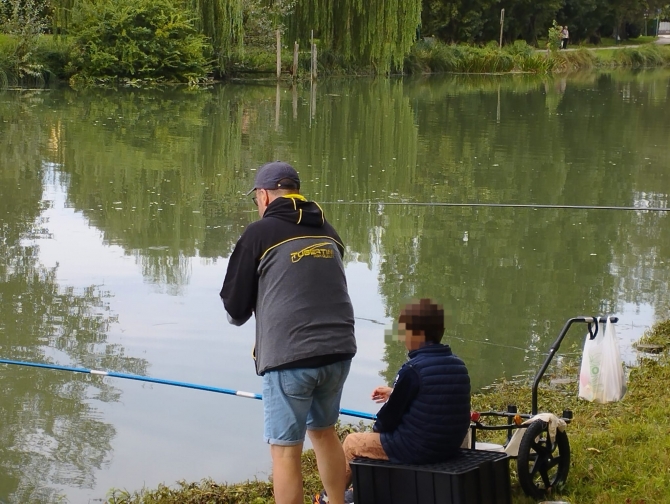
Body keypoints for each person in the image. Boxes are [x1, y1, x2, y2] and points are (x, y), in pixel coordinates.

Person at [220, 161, 357, 504]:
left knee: (285, 452)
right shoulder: (329, 231)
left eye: (256, 199)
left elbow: (235, 309)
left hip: (291, 357)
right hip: (339, 352)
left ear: (263, 195)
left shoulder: (259, 233)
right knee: (325, 433)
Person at [341, 298, 470, 488]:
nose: (402, 338)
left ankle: (330, 498)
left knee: (352, 443)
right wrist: (395, 393)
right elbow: (436, 397)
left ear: (417, 334)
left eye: (404, 332)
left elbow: (388, 418)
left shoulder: (412, 370)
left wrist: (375, 434)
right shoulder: (458, 365)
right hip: (450, 446)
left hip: (416, 449)